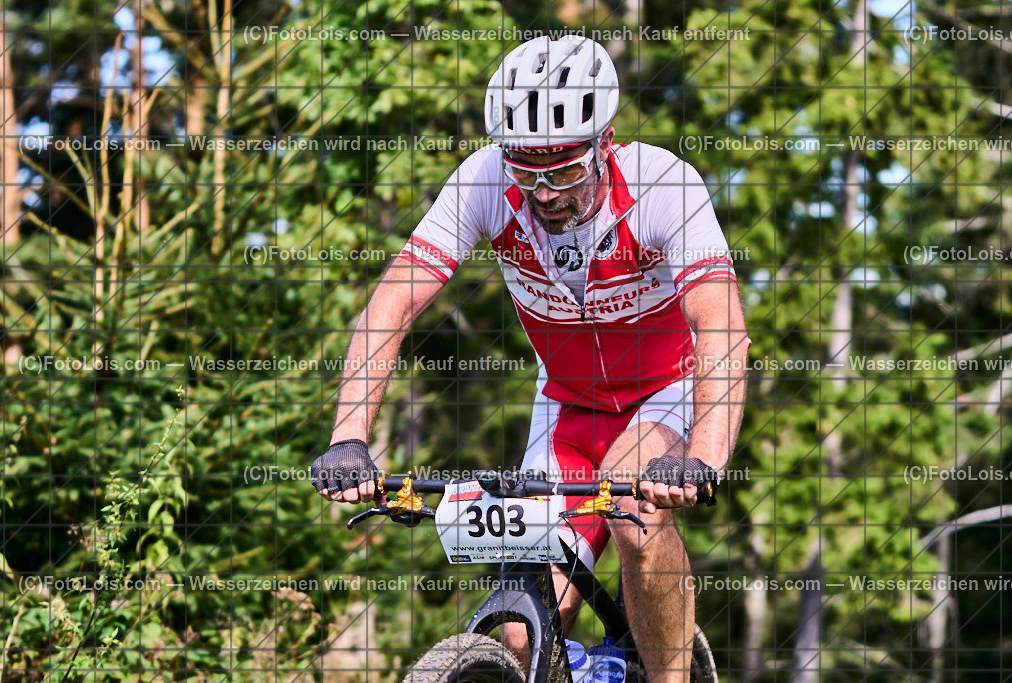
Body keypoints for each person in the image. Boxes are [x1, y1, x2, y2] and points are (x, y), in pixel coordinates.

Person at [311, 35, 750, 682]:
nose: (544, 192)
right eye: (526, 167)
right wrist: (348, 435)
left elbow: (721, 327)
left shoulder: (664, 185)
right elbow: (390, 307)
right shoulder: (485, 179)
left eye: (564, 170)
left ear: (605, 143)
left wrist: (704, 457)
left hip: (665, 393)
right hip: (567, 406)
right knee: (520, 633)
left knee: (636, 514)